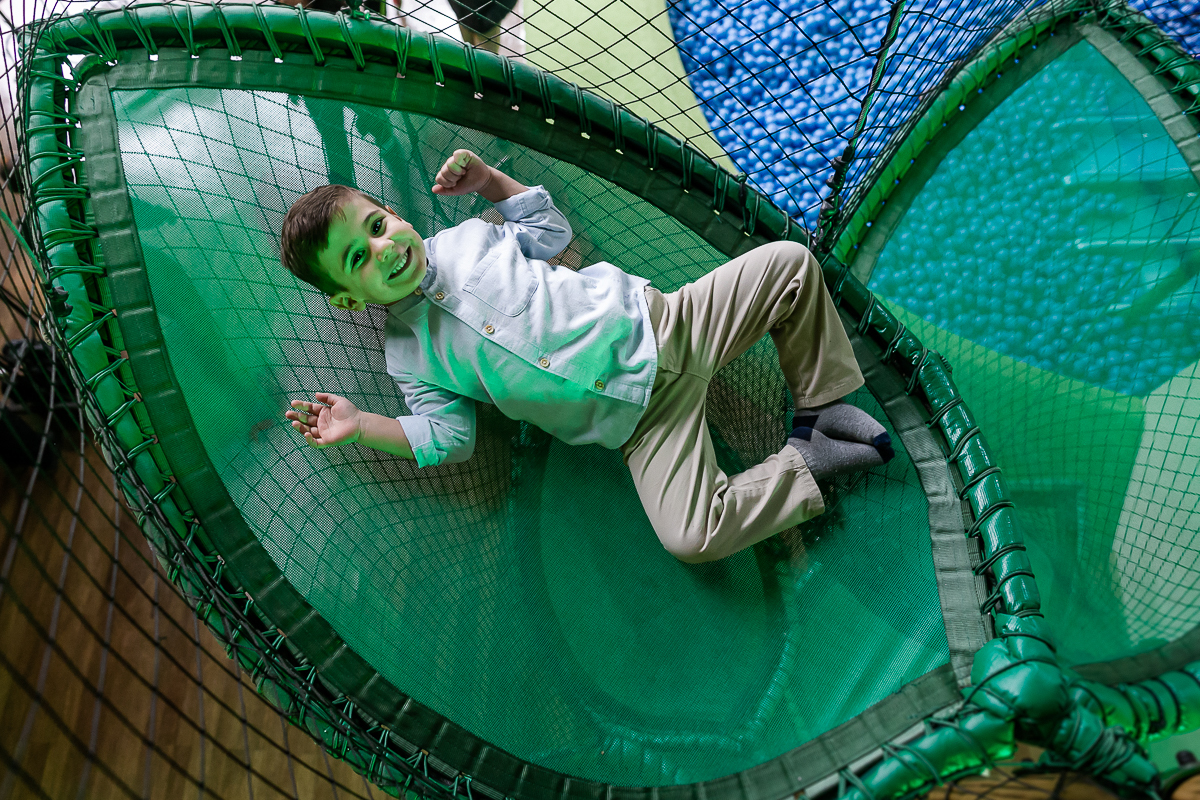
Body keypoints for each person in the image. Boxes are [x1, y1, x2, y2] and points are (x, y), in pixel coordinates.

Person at [280, 149, 894, 563]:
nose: (382, 249)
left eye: (378, 227)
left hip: (667, 324)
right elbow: (450, 437)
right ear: (346, 298)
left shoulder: (466, 239)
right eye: (358, 259)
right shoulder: (409, 356)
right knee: (690, 536)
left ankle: (822, 409)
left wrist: (492, 183)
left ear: (394, 215)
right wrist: (363, 427)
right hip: (641, 424)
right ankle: (806, 464)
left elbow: (551, 235)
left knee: (789, 263)